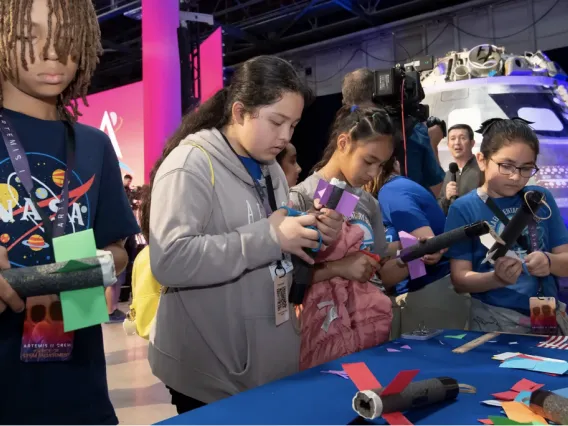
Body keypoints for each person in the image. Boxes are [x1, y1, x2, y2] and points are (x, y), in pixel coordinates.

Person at [141, 55, 343, 414]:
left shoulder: (271, 169)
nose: (285, 136)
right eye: (276, 121)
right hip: (209, 367)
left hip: (262, 359)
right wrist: (271, 237)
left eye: (293, 125)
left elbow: (275, 236)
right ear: (238, 112)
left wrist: (311, 232)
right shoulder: (191, 164)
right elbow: (171, 261)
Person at [0, 0, 139, 424]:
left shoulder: (94, 145)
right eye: (29, 36)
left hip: (81, 385)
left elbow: (118, 249)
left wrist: (88, 267)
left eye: (65, 36)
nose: (53, 51)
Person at [445, 118, 568, 333]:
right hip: (493, 319)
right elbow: (460, 280)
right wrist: (496, 278)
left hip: (546, 313)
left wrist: (549, 262)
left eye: (526, 168)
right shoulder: (464, 208)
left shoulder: (540, 198)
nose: (516, 176)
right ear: (482, 160)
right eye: (506, 166)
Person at [291, 105, 409, 289]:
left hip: (370, 312)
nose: (373, 173)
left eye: (381, 165)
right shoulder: (303, 196)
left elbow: (379, 264)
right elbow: (287, 278)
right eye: (369, 161)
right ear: (343, 143)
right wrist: (336, 268)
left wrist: (414, 251)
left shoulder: (369, 202)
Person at [366, 157, 470, 338]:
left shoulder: (391, 191)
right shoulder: (393, 190)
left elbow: (425, 245)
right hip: (427, 294)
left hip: (430, 295)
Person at [341, 68, 445, 196]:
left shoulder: (343, 133)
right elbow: (435, 187)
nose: (373, 172)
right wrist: (433, 142)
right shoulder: (413, 131)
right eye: (369, 161)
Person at [438, 124, 482, 215]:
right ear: (448, 145)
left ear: (472, 143)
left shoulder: (482, 169)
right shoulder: (449, 173)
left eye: (462, 138)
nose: (457, 142)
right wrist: (446, 198)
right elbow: (438, 209)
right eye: (453, 139)